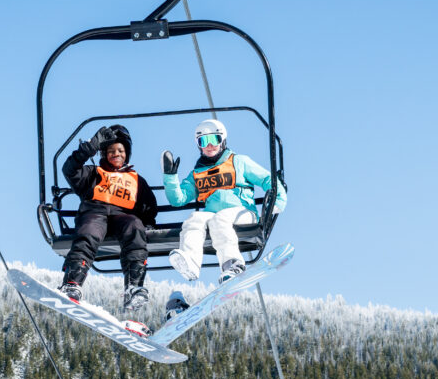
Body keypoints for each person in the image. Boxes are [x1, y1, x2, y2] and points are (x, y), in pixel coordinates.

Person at [161, 118, 286, 283]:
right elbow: (178, 199)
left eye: (214, 139)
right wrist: (170, 177)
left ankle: (233, 265)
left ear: (223, 141)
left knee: (220, 219)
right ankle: (190, 262)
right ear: (199, 145)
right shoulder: (197, 173)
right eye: (203, 141)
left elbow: (267, 179)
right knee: (194, 219)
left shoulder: (238, 162)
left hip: (243, 212)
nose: (210, 145)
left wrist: (278, 201)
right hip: (212, 215)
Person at [59, 124, 158, 310]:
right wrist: (90, 147)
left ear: (127, 153)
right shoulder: (93, 174)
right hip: (95, 212)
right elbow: (69, 170)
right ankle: (72, 283)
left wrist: (148, 223)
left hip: (123, 217)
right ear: (104, 153)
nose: (116, 154)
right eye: (111, 150)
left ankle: (134, 287)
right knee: (89, 232)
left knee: (135, 226)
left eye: (121, 150)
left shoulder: (136, 180)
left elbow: (148, 206)